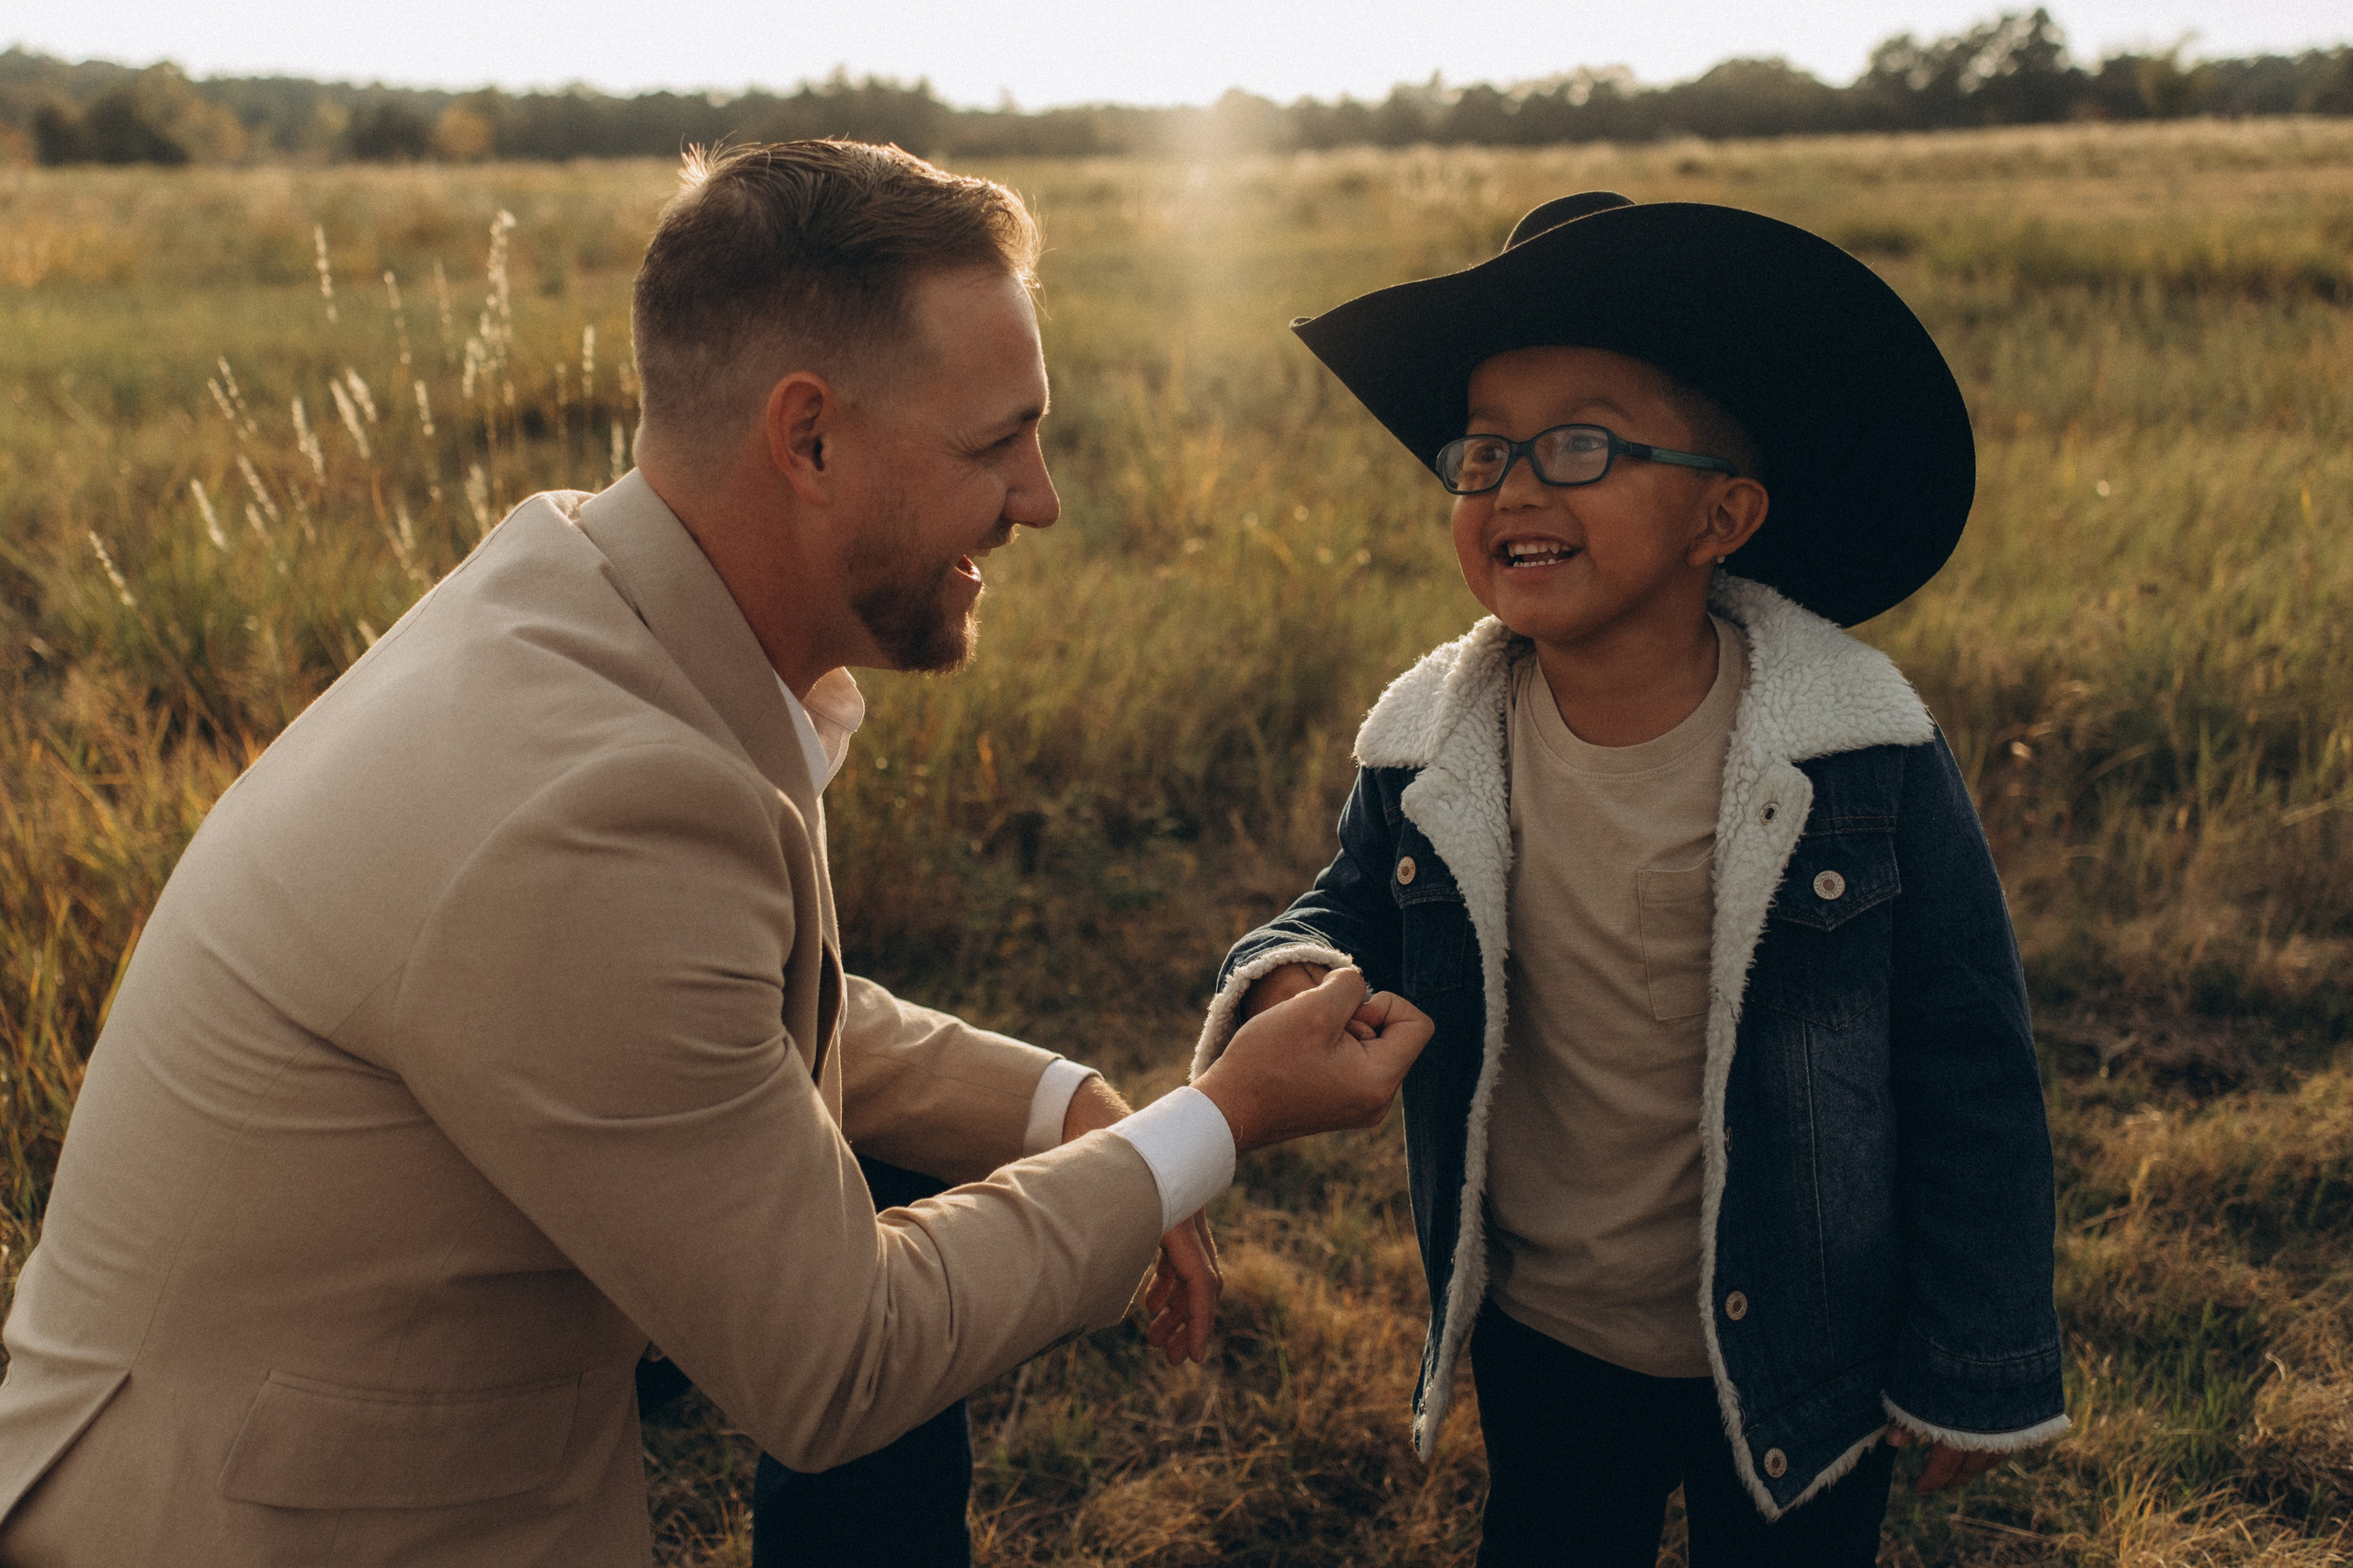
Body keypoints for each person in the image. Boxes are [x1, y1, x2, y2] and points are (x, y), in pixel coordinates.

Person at [0, 141, 1433, 1568]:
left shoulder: (575, 589)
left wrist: (1063, 1105)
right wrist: (1216, 1123)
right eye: (997, 441)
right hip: (245, 1515)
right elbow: (841, 1360)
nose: (1042, 496)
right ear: (807, 439)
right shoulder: (589, 798)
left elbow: (707, 1005)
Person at [1191, 192, 2068, 1565]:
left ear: (1723, 513)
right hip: (1550, 1323)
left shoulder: (1861, 756)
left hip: (1807, 1332)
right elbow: (1350, 897)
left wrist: (1977, 1350)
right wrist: (1300, 963)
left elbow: (1969, 1061)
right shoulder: (1431, 748)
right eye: (1482, 455)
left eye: (1579, 445)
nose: (1516, 488)